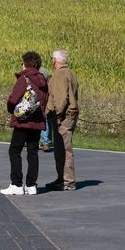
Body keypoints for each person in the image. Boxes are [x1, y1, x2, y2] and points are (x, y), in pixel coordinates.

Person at [1, 51, 49, 196]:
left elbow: (13, 99)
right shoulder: (43, 80)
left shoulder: (24, 78)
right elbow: (45, 100)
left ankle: (16, 184)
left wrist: (12, 110)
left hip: (22, 122)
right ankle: (31, 185)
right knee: (33, 152)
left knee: (14, 150)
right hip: (37, 122)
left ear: (25, 63)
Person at [45, 49, 79, 191]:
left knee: (64, 150)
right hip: (69, 115)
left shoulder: (59, 74)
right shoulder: (71, 73)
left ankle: (68, 182)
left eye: (52, 59)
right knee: (61, 149)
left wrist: (56, 115)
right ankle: (62, 178)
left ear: (55, 60)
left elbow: (60, 99)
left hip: (63, 117)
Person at [37, 64, 54, 152]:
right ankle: (46, 142)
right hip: (45, 98)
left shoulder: (30, 72)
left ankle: (28, 142)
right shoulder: (45, 71)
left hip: (33, 99)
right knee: (46, 119)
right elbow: (50, 86)